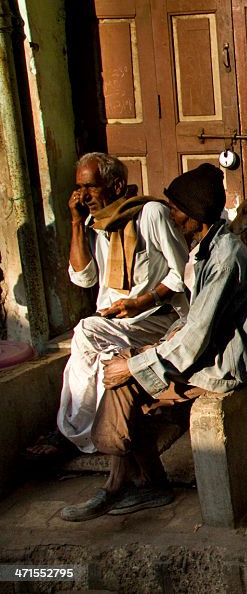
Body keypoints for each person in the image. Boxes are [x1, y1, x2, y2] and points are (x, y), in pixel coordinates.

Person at [59, 163, 247, 521]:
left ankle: (123, 485)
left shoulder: (224, 258)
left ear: (194, 213)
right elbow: (194, 321)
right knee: (121, 369)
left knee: (125, 378)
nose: (169, 215)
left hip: (230, 362)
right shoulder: (208, 249)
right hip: (212, 351)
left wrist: (137, 363)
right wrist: (145, 353)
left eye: (175, 209)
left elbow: (196, 339)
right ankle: (142, 483)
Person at [24, 153, 188, 464]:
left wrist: (143, 300)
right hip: (114, 323)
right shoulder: (95, 223)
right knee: (93, 357)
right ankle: (93, 434)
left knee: (85, 333)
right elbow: (83, 278)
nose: (83, 197)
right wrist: (75, 222)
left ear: (117, 185)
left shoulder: (150, 214)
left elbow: (181, 274)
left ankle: (71, 435)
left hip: (155, 318)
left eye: (91, 188)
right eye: (78, 188)